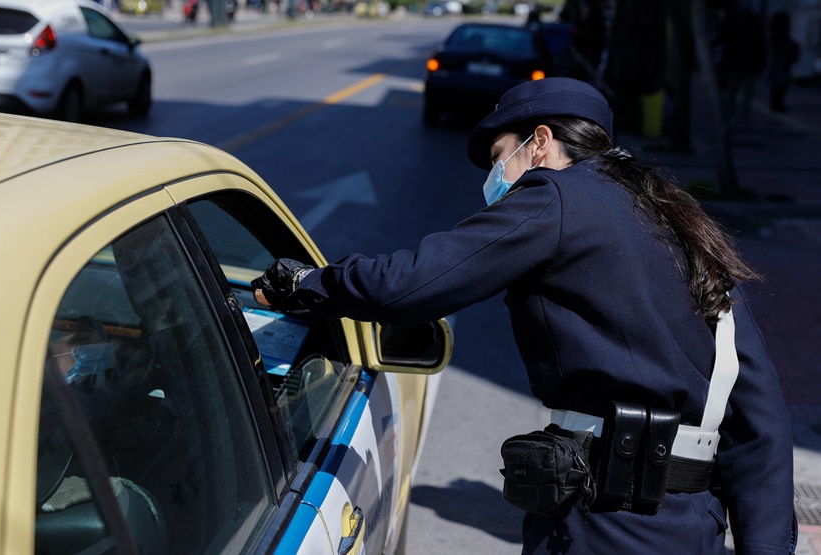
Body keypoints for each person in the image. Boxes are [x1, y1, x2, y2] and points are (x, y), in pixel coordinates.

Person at [251, 77, 796, 554]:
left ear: (540, 143)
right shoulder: (676, 219)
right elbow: (758, 410)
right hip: (692, 525)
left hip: (606, 521)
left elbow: (416, 282)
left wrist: (305, 283)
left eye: (497, 156)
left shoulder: (556, 196)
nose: (494, 177)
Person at [768, 10, 801, 113]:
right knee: (781, 83)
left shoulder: (774, 33)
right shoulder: (780, 34)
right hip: (781, 61)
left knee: (778, 84)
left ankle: (776, 104)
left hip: (779, 61)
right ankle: (777, 104)